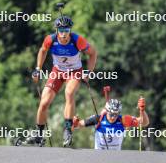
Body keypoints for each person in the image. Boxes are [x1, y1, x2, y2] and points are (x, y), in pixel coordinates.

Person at [31, 15, 97, 147]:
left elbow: (93, 53)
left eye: (66, 31)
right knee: (44, 103)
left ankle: (67, 129)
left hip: (74, 72)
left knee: (69, 93)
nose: (63, 34)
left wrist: (89, 72)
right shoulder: (50, 39)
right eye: (61, 31)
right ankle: (39, 133)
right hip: (57, 72)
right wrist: (38, 68)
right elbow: (42, 50)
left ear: (70, 31)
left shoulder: (77, 40)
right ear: (56, 31)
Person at [72, 98, 149, 150]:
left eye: (116, 114)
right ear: (107, 111)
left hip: (115, 158)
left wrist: (142, 111)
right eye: (111, 114)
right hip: (98, 158)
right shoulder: (98, 118)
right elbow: (78, 125)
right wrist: (75, 123)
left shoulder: (123, 120)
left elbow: (144, 123)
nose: (113, 117)